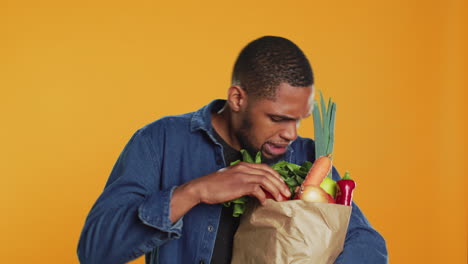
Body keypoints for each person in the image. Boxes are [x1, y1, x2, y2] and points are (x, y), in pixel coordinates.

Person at [77, 36, 388, 264]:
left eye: (299, 120)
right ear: (238, 99)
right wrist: (195, 191)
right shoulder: (160, 140)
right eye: (278, 118)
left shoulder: (308, 158)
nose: (291, 134)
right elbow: (94, 250)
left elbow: (369, 245)